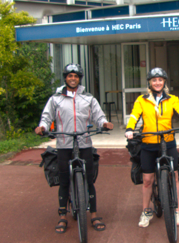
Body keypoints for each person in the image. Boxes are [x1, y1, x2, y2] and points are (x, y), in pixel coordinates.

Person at [35, 63, 113, 234]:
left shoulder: (88, 98)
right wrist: (42, 127)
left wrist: (104, 123)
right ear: (65, 78)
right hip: (64, 143)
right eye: (69, 75)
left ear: (79, 78)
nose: (72, 78)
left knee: (89, 180)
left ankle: (93, 214)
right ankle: (63, 215)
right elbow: (46, 117)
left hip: (84, 142)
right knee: (63, 181)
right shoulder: (55, 98)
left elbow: (99, 116)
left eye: (76, 76)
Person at [125, 67, 179, 228]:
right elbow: (134, 116)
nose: (157, 83)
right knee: (148, 180)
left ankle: (177, 210)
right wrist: (130, 129)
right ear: (149, 83)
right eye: (154, 80)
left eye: (160, 80)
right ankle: (146, 211)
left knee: (175, 176)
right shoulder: (141, 100)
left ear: (164, 82)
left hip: (168, 141)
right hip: (148, 143)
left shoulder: (172, 99)